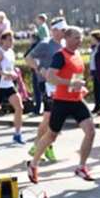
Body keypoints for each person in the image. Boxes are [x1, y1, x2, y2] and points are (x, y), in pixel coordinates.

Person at [27, 26, 96, 183]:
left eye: (81, 37)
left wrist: (79, 87)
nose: (80, 40)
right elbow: (51, 77)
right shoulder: (60, 56)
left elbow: (75, 78)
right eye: (77, 37)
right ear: (67, 38)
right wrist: (70, 83)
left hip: (77, 100)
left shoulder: (77, 55)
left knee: (90, 132)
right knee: (51, 135)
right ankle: (33, 164)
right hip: (62, 101)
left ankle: (81, 167)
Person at [24, 17, 68, 162]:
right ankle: (42, 146)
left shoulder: (64, 45)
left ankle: (40, 145)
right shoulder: (45, 44)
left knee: (55, 118)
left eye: (65, 30)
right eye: (62, 30)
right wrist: (39, 69)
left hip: (61, 84)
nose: (65, 32)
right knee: (49, 117)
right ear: (54, 30)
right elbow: (28, 58)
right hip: (47, 84)